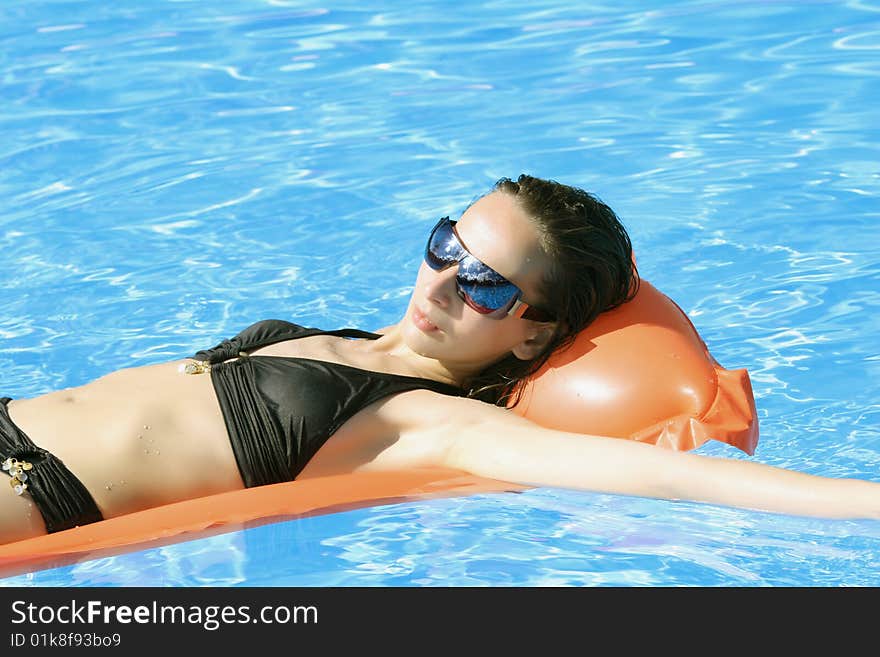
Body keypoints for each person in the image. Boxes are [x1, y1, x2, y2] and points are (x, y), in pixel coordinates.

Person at [1, 174, 878, 546]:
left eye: (488, 285)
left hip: (28, 496)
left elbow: (682, 481)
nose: (445, 280)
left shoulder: (436, 423)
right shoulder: (343, 335)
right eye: (446, 244)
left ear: (533, 333)